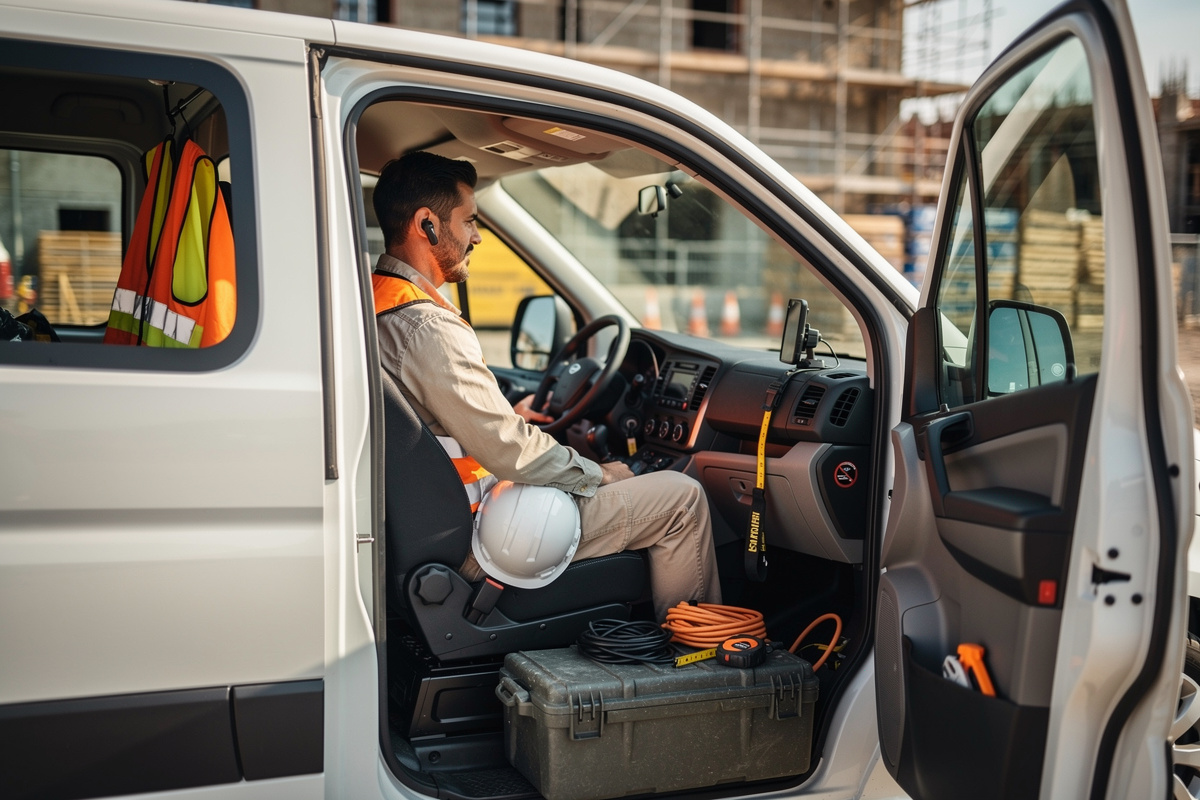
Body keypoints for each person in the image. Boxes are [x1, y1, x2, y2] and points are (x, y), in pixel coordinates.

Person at [371, 151, 721, 620]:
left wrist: (510, 416)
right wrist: (601, 474)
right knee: (681, 498)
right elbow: (510, 452)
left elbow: (448, 428)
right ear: (428, 225)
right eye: (469, 221)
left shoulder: (374, 302)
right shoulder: (427, 327)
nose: (476, 236)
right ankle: (696, 660)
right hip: (479, 537)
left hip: (432, 525)